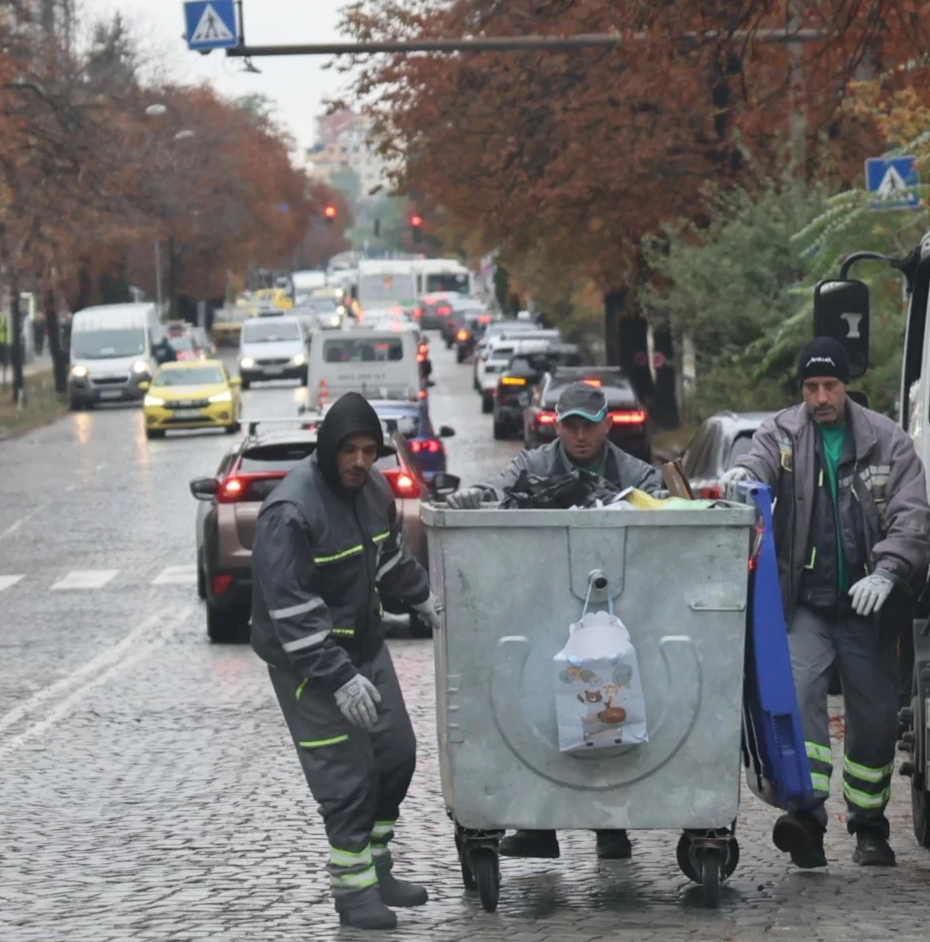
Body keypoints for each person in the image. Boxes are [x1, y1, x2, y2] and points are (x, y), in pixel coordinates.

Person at [721, 337, 930, 868]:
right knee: (796, 699)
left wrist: (887, 572)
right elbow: (760, 462)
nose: (821, 397)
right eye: (812, 387)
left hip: (867, 610)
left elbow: (912, 517)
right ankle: (806, 815)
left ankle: (869, 825)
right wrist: (745, 479)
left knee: (877, 718)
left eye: (830, 386)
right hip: (806, 606)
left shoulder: (889, 442)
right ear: (803, 390)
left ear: (846, 386)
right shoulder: (784, 433)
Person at [442, 379, 663, 860]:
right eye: (570, 426)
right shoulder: (534, 464)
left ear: (608, 423)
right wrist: (472, 499)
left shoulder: (637, 473)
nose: (580, 436)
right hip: (546, 612)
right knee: (541, 709)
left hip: (612, 612)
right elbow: (496, 490)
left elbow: (661, 513)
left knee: (610, 706)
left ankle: (612, 826)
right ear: (556, 426)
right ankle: (540, 826)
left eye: (589, 425)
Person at [250, 393, 439, 931]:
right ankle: (353, 893)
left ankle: (377, 865)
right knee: (347, 775)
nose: (360, 461)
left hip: (363, 646)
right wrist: (338, 679)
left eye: (370, 451)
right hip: (306, 665)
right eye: (350, 451)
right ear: (329, 449)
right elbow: (293, 614)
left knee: (396, 753)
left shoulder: (373, 489)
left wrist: (424, 597)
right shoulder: (291, 512)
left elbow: (388, 558)